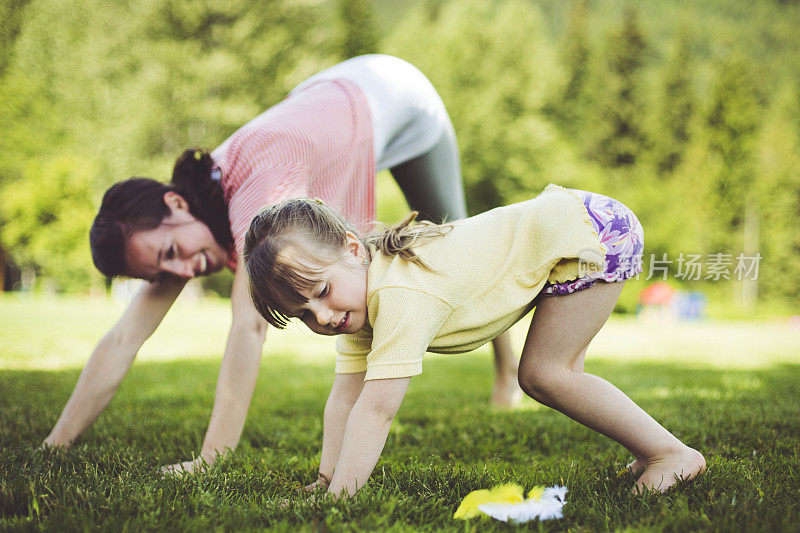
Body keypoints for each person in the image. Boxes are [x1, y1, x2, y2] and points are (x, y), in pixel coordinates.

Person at [42, 55, 521, 473]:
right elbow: (125, 335)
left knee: (456, 243)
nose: (183, 273)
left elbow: (249, 327)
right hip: (331, 102)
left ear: (176, 204)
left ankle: (507, 373)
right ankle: (60, 437)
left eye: (171, 254)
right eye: (161, 273)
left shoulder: (257, 199)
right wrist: (56, 444)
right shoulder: (196, 215)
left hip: (397, 94)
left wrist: (213, 458)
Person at [243, 185, 707, 497]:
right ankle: (650, 451)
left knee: (546, 375)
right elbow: (345, 397)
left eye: (321, 292)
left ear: (350, 248)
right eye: (302, 314)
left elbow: (376, 408)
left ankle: (672, 454)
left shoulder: (398, 293)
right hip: (574, 227)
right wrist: (327, 480)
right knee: (558, 375)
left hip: (587, 232)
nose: (322, 317)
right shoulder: (358, 308)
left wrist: (341, 498)